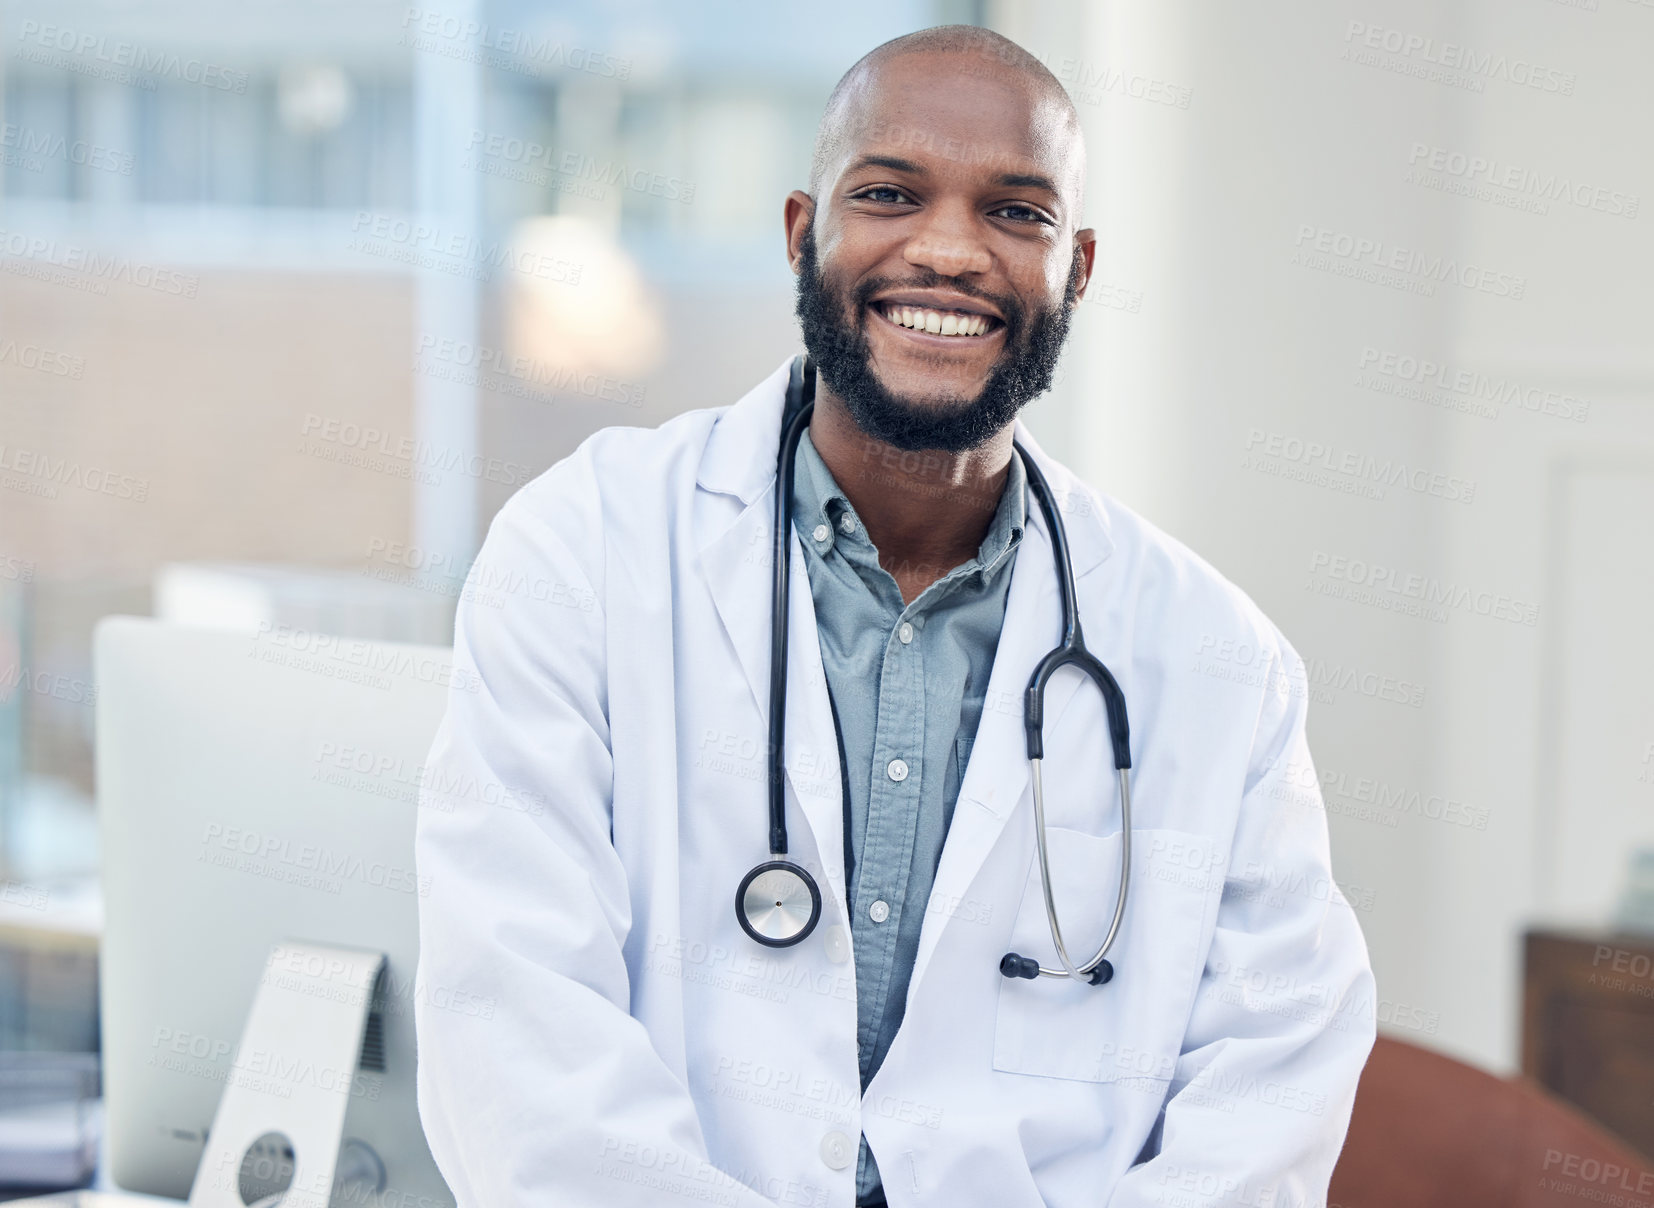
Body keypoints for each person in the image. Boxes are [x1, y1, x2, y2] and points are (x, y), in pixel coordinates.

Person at [413, 24, 1376, 1208]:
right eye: (887, 192)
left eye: (1014, 212)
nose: (948, 249)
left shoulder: (1217, 659)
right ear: (800, 231)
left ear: (1075, 269)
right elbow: (517, 1041)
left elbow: (1268, 1092)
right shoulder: (582, 550)